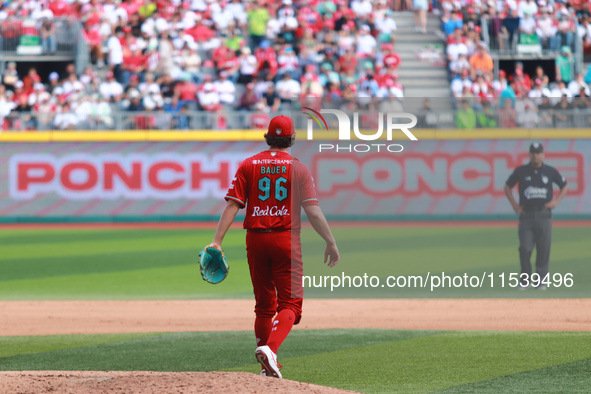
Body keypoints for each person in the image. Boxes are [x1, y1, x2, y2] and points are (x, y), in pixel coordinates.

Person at [207, 115, 339, 378]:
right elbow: (312, 211)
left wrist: (217, 241)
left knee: (264, 306)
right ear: (292, 139)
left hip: (255, 239)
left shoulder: (249, 164)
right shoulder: (298, 168)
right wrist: (330, 241)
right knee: (291, 304)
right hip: (285, 239)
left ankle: (266, 368)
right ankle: (271, 350)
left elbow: (233, 204)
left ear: (267, 136)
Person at [504, 143, 569, 290]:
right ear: (529, 154)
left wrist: (556, 201)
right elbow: (508, 186)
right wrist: (515, 205)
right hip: (526, 214)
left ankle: (541, 281)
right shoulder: (521, 171)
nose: (535, 155)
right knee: (525, 248)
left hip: (543, 213)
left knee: (543, 248)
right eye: (533, 152)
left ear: (543, 154)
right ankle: (525, 279)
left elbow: (564, 185)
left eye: (538, 152)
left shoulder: (550, 171)